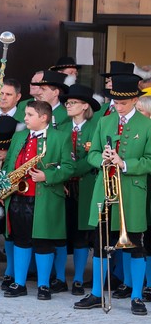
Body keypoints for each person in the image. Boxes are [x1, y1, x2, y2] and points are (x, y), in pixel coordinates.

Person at [75, 73, 150, 315]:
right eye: (116, 103)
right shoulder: (105, 122)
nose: (118, 107)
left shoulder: (147, 124)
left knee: (136, 245)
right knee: (99, 244)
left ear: (135, 101)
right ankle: (97, 293)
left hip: (132, 192)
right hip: (104, 191)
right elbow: (92, 154)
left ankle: (137, 297)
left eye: (123, 103)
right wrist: (103, 159)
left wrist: (124, 163)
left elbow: (149, 160)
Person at [1, 100, 71, 300]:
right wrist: (4, 186)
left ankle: (43, 285)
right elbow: (8, 164)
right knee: (20, 240)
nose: (25, 118)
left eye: (30, 115)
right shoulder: (19, 136)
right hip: (17, 196)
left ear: (44, 117)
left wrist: (46, 176)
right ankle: (19, 283)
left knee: (43, 242)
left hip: (45, 198)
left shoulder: (60, 137)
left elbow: (68, 167)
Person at [62, 85, 100, 294]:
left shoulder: (95, 127)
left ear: (85, 106)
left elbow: (93, 158)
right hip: (63, 185)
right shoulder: (61, 127)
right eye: (67, 102)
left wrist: (69, 170)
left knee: (82, 234)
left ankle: (78, 278)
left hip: (85, 185)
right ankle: (58, 277)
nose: (68, 105)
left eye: (73, 102)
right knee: (61, 231)